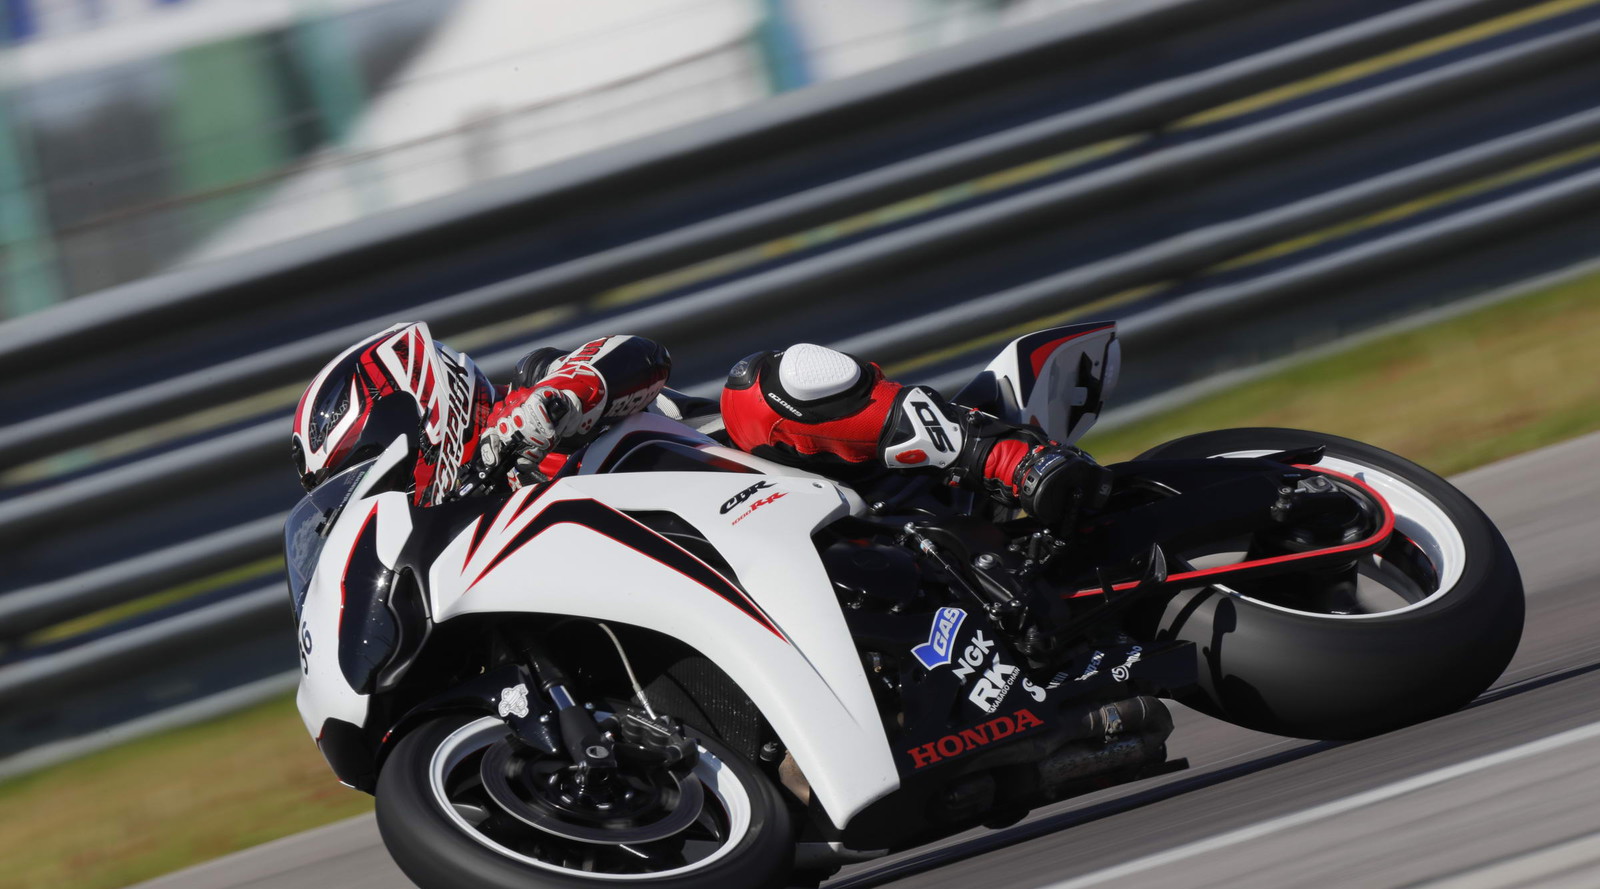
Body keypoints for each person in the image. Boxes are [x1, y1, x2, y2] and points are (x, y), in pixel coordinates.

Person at [293, 322, 1111, 524]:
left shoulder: (530, 399)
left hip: (788, 492)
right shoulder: (464, 546)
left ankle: (1005, 458)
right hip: (725, 584)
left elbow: (637, 356)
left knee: (764, 386)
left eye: (363, 463)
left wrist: (556, 404)